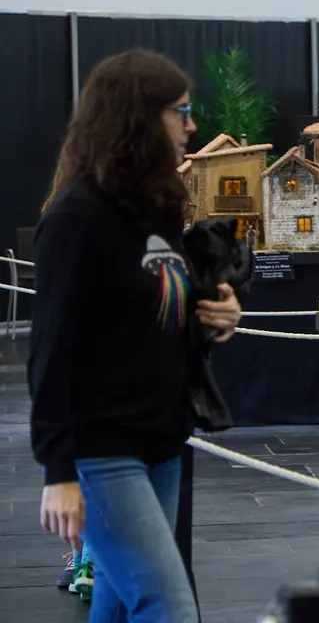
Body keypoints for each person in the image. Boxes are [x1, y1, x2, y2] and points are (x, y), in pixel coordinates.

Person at [30, 49, 243, 622]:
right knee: (167, 604)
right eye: (181, 111)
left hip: (161, 442)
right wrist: (59, 473)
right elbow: (51, 352)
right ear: (138, 119)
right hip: (100, 454)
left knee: (122, 600)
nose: (192, 125)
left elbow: (160, 312)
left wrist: (217, 313)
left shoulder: (157, 210)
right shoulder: (75, 219)